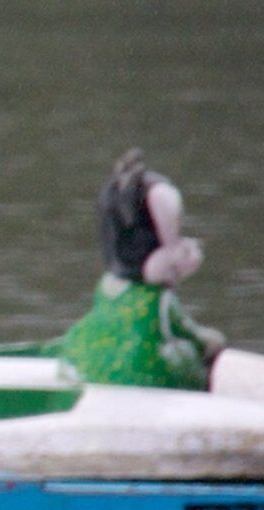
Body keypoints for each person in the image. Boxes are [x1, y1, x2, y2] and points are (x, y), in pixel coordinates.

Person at [57, 151, 226, 389]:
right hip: (141, 370)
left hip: (93, 365)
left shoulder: (107, 286)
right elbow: (183, 330)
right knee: (196, 349)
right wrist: (208, 343)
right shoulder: (157, 298)